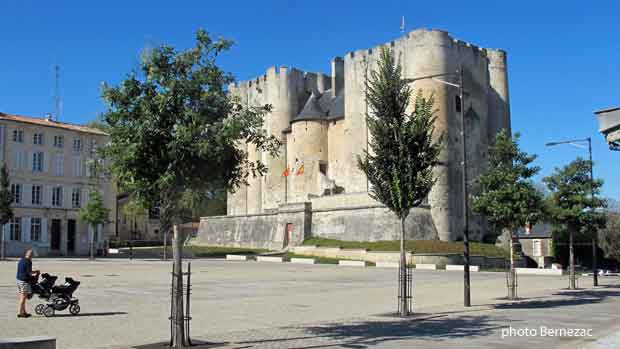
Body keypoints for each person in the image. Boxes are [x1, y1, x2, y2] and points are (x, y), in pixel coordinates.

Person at [16, 249, 39, 318]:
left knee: (23, 297)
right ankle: (20, 313)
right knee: (23, 298)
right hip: (24, 282)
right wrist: (37, 272)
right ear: (31, 255)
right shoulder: (28, 261)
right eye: (32, 255)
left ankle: (24, 312)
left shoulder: (21, 260)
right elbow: (29, 272)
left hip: (19, 280)